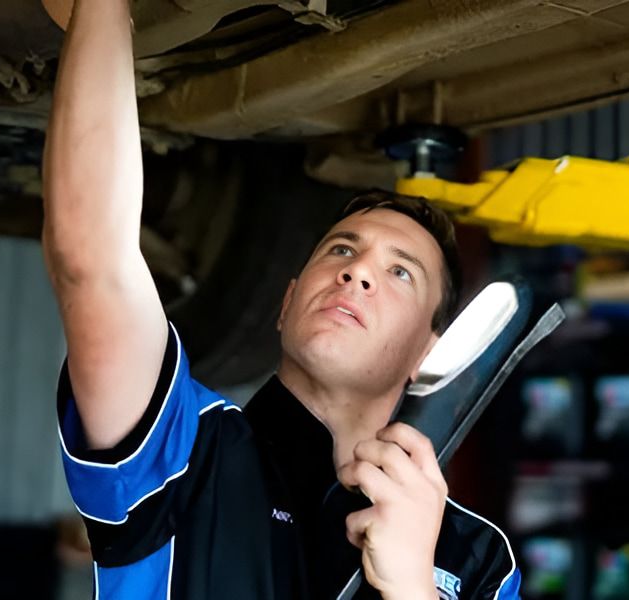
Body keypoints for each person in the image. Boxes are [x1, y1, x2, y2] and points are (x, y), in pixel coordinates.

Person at [41, 1, 521, 598]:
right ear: (287, 302)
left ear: (430, 352)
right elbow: (92, 258)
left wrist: (412, 585)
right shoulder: (184, 447)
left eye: (401, 273)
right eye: (342, 251)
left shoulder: (475, 558)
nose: (358, 273)